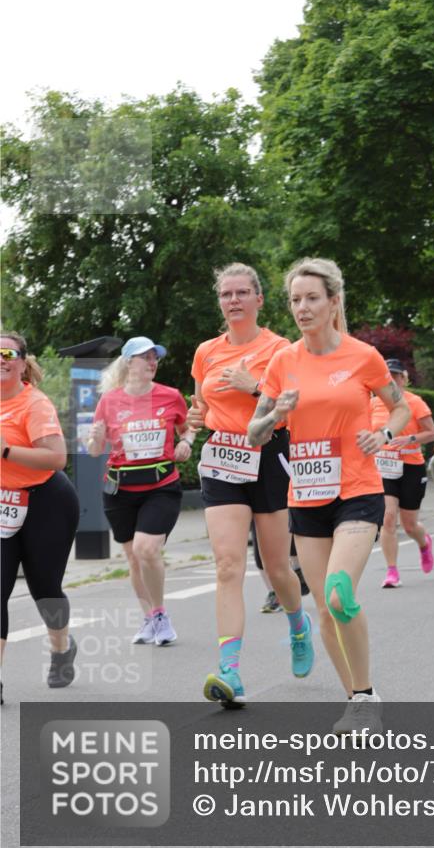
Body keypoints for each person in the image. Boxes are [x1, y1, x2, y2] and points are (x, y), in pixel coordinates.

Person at [248, 257, 410, 734]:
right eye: (295, 300)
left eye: (312, 298)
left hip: (357, 491)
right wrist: (275, 412)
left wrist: (383, 436)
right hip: (307, 496)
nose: (302, 308)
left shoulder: (363, 356)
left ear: (333, 302)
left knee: (340, 595)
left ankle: (365, 696)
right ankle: (358, 699)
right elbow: (255, 433)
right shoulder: (283, 362)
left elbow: (399, 409)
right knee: (323, 609)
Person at [187, 263, 312, 708]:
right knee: (227, 565)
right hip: (223, 456)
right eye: (226, 294)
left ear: (259, 299)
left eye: (242, 292)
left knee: (277, 568)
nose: (234, 300)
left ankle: (298, 625)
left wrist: (254, 386)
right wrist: (197, 417)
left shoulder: (281, 350)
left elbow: (295, 408)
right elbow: (202, 404)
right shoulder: (206, 352)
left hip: (269, 454)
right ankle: (230, 671)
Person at [87, 337, 190, 646]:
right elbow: (95, 450)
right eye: (145, 357)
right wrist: (95, 438)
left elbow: (187, 428)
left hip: (160, 487)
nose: (152, 362)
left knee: (146, 549)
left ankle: (160, 615)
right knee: (134, 558)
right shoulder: (109, 401)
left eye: (155, 357)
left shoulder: (170, 396)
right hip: (120, 490)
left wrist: (186, 443)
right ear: (129, 362)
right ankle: (149, 618)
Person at [1, 332, 80, 701]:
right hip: (3, 504)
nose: (1, 359)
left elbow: (56, 458)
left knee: (44, 588)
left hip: (46, 502)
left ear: (22, 362)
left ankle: (61, 648)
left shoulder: (34, 404)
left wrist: (5, 450)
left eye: (8, 353)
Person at [370, 358, 434, 587]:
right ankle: (392, 572)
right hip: (383, 467)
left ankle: (424, 543)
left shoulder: (414, 402)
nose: (392, 380)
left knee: (410, 525)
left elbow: (431, 433)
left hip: (410, 467)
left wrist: (410, 439)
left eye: (396, 376)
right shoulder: (373, 404)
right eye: (388, 375)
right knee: (388, 518)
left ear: (403, 379)